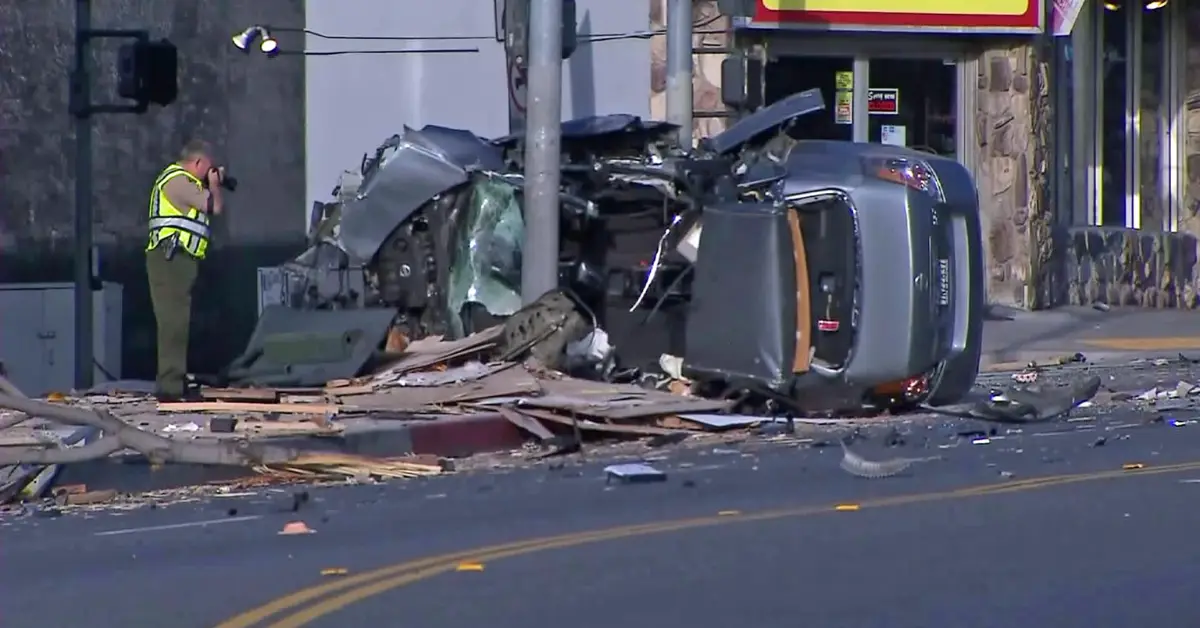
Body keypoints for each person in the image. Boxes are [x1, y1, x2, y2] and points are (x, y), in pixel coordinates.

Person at [145, 139, 225, 401]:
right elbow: (214, 206)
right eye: (207, 168)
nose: (207, 174)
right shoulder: (178, 181)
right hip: (170, 259)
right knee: (173, 323)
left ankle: (175, 381)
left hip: (178, 260)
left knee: (178, 322)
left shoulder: (181, 181)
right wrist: (214, 184)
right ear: (198, 163)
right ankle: (170, 386)